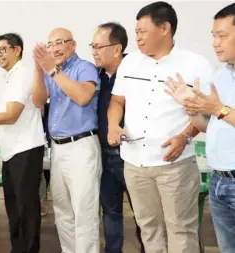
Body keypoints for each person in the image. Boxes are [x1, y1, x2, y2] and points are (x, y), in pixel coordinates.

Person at [107, 2, 213, 253]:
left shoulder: (195, 64)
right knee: (149, 229)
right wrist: (113, 124)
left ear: (164, 28)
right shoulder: (130, 62)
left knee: (181, 230)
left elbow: (207, 113)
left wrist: (185, 136)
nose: (137, 38)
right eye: (136, 32)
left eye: (142, 31)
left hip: (174, 164)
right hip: (134, 164)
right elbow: (116, 101)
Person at [165, 3, 235, 252]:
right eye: (213, 36)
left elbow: (220, 112)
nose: (215, 43)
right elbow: (209, 125)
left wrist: (218, 109)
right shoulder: (221, 75)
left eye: (222, 35)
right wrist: (190, 108)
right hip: (219, 180)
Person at [0, 33, 45, 253]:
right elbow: (3, 117)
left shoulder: (22, 73)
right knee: (14, 207)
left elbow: (11, 115)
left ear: (17, 50)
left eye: (3, 49)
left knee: (27, 209)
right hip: (11, 151)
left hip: (25, 149)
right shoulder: (8, 77)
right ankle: (18, 249)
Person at [32, 27, 102, 253]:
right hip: (58, 147)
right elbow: (38, 100)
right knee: (62, 210)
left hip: (81, 145)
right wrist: (37, 68)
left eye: (60, 42)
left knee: (84, 211)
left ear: (73, 45)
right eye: (51, 44)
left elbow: (82, 97)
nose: (55, 48)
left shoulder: (85, 68)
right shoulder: (51, 72)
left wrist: (51, 70)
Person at [92, 22, 145, 253]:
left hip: (133, 155)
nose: (93, 51)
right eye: (91, 46)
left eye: (98, 46)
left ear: (116, 48)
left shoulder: (137, 73)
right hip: (104, 155)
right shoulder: (95, 77)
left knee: (143, 214)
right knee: (110, 213)